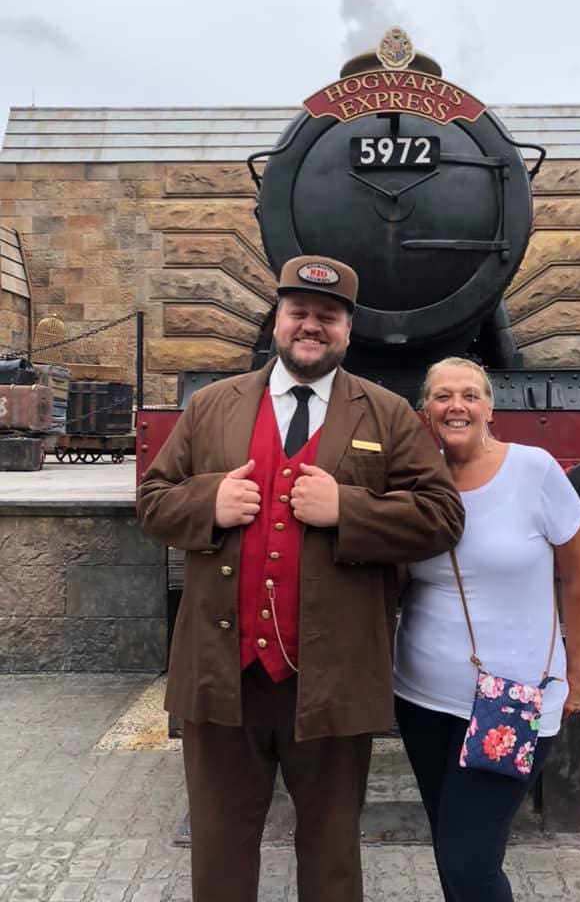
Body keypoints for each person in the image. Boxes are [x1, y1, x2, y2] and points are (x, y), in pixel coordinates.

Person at [137, 255, 465, 902]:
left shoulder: (388, 413)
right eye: (299, 313)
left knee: (332, 852)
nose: (312, 326)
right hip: (221, 676)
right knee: (220, 852)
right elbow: (152, 500)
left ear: (347, 329)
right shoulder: (210, 406)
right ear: (277, 321)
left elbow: (441, 516)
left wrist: (349, 508)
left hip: (334, 679)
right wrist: (209, 503)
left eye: (328, 316)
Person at [393, 357, 580, 902]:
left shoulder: (535, 470)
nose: (455, 406)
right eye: (441, 396)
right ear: (425, 412)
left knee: (470, 863)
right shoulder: (415, 482)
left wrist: (579, 672)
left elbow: (578, 581)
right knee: (449, 847)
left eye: (469, 395)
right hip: (420, 698)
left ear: (489, 407)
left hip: (512, 701)